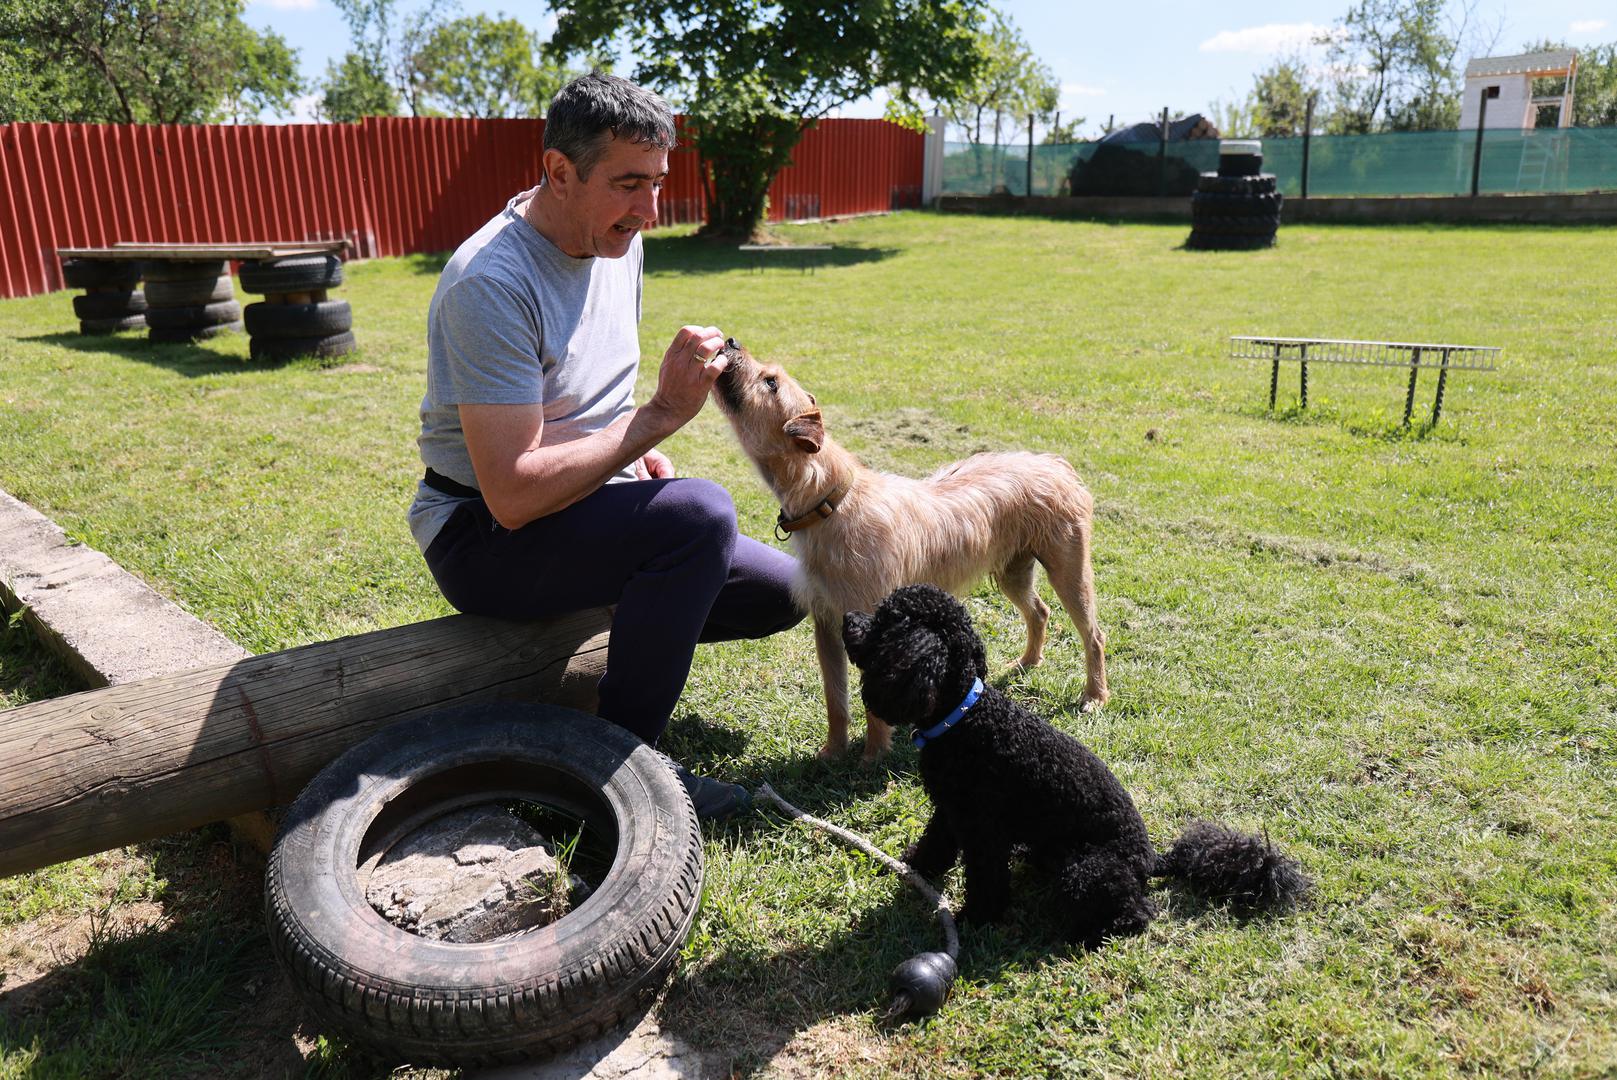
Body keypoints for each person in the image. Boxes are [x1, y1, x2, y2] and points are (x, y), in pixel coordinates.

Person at [407, 72, 803, 818]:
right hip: (482, 535)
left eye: (657, 183)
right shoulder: (489, 283)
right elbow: (512, 494)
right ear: (560, 171)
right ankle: (611, 769)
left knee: (784, 591)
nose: (648, 211)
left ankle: (624, 640)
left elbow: (590, 398)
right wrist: (654, 420)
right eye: (628, 185)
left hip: (581, 504)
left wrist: (630, 451)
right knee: (699, 517)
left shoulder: (617, 239)